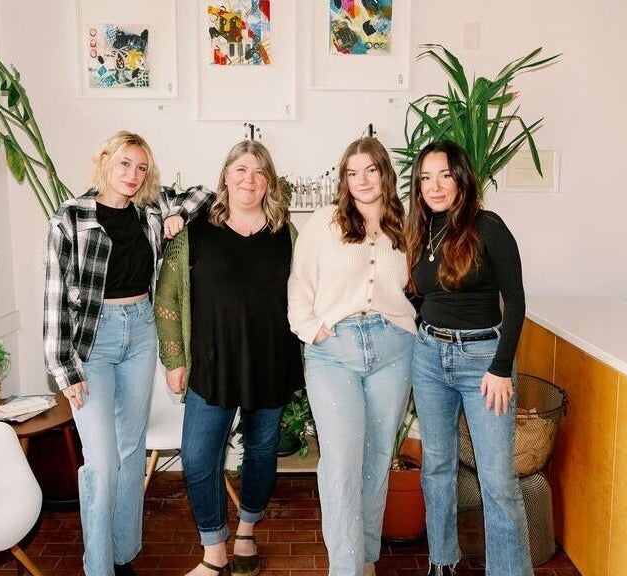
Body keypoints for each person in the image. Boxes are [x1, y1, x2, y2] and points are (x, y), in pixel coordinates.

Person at [43, 130, 212, 576]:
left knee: (131, 449)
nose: (132, 175)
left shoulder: (151, 209)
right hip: (91, 342)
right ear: (105, 162)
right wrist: (65, 367)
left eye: (141, 167)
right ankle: (98, 567)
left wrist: (178, 217)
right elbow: (56, 295)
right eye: (123, 164)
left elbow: (205, 194)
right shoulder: (71, 217)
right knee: (101, 461)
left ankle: (123, 554)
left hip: (140, 331)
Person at [154, 140, 304, 576]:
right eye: (240, 169)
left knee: (259, 451)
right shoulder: (194, 232)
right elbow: (166, 297)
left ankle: (246, 532)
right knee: (199, 456)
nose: (249, 179)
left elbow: (305, 293)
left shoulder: (286, 235)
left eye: (259, 172)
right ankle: (212, 549)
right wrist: (174, 358)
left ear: (268, 183)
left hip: (269, 360)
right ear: (225, 176)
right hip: (211, 363)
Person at [287, 137, 416, 576]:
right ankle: (345, 568)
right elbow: (299, 284)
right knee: (340, 462)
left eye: (371, 170)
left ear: (385, 173)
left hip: (393, 350)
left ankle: (365, 558)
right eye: (352, 172)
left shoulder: (408, 224)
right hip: (334, 351)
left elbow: (421, 287)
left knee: (378, 458)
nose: (361, 180)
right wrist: (312, 330)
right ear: (344, 178)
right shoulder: (324, 222)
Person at [405, 140, 531, 576]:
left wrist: (500, 367)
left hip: (483, 360)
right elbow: (421, 296)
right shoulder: (421, 230)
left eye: (444, 175)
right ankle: (442, 562)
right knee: (436, 468)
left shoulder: (488, 226)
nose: (434, 186)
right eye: (425, 177)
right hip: (429, 357)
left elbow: (514, 302)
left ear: (462, 177)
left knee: (497, 482)